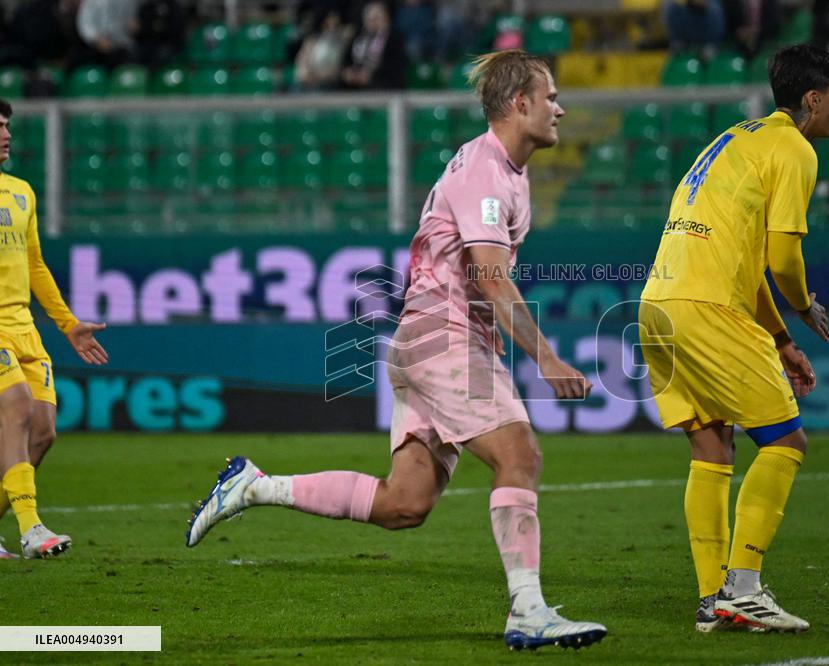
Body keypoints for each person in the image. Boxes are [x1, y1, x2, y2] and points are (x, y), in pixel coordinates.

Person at [186, 50, 607, 652]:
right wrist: (544, 356)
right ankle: (529, 611)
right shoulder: (487, 171)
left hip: (426, 340)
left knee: (403, 504)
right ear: (520, 104)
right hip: (443, 337)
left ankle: (255, 486)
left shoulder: (505, 170)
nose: (560, 108)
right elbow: (489, 275)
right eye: (551, 97)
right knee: (519, 455)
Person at [638, 44, 829, 633]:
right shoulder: (793, 148)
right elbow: (782, 258)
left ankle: (715, 600)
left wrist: (781, 339)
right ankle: (746, 586)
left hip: (659, 304)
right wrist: (804, 305)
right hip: (708, 307)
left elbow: (748, 261)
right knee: (786, 441)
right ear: (813, 99)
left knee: (711, 447)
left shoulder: (733, 139)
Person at [0, 99, 109, 559]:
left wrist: (67, 324)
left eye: (6, 126)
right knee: (17, 411)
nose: (6, 134)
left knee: (43, 432)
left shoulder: (21, 191)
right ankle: (31, 529)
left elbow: (35, 263)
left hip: (23, 327)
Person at [339, 1, 407, 89]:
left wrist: (371, 74)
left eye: (376, 18)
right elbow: (346, 59)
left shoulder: (394, 39)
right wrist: (348, 71)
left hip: (382, 80)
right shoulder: (358, 37)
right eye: (369, 19)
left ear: (386, 19)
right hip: (357, 79)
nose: (372, 23)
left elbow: (396, 66)